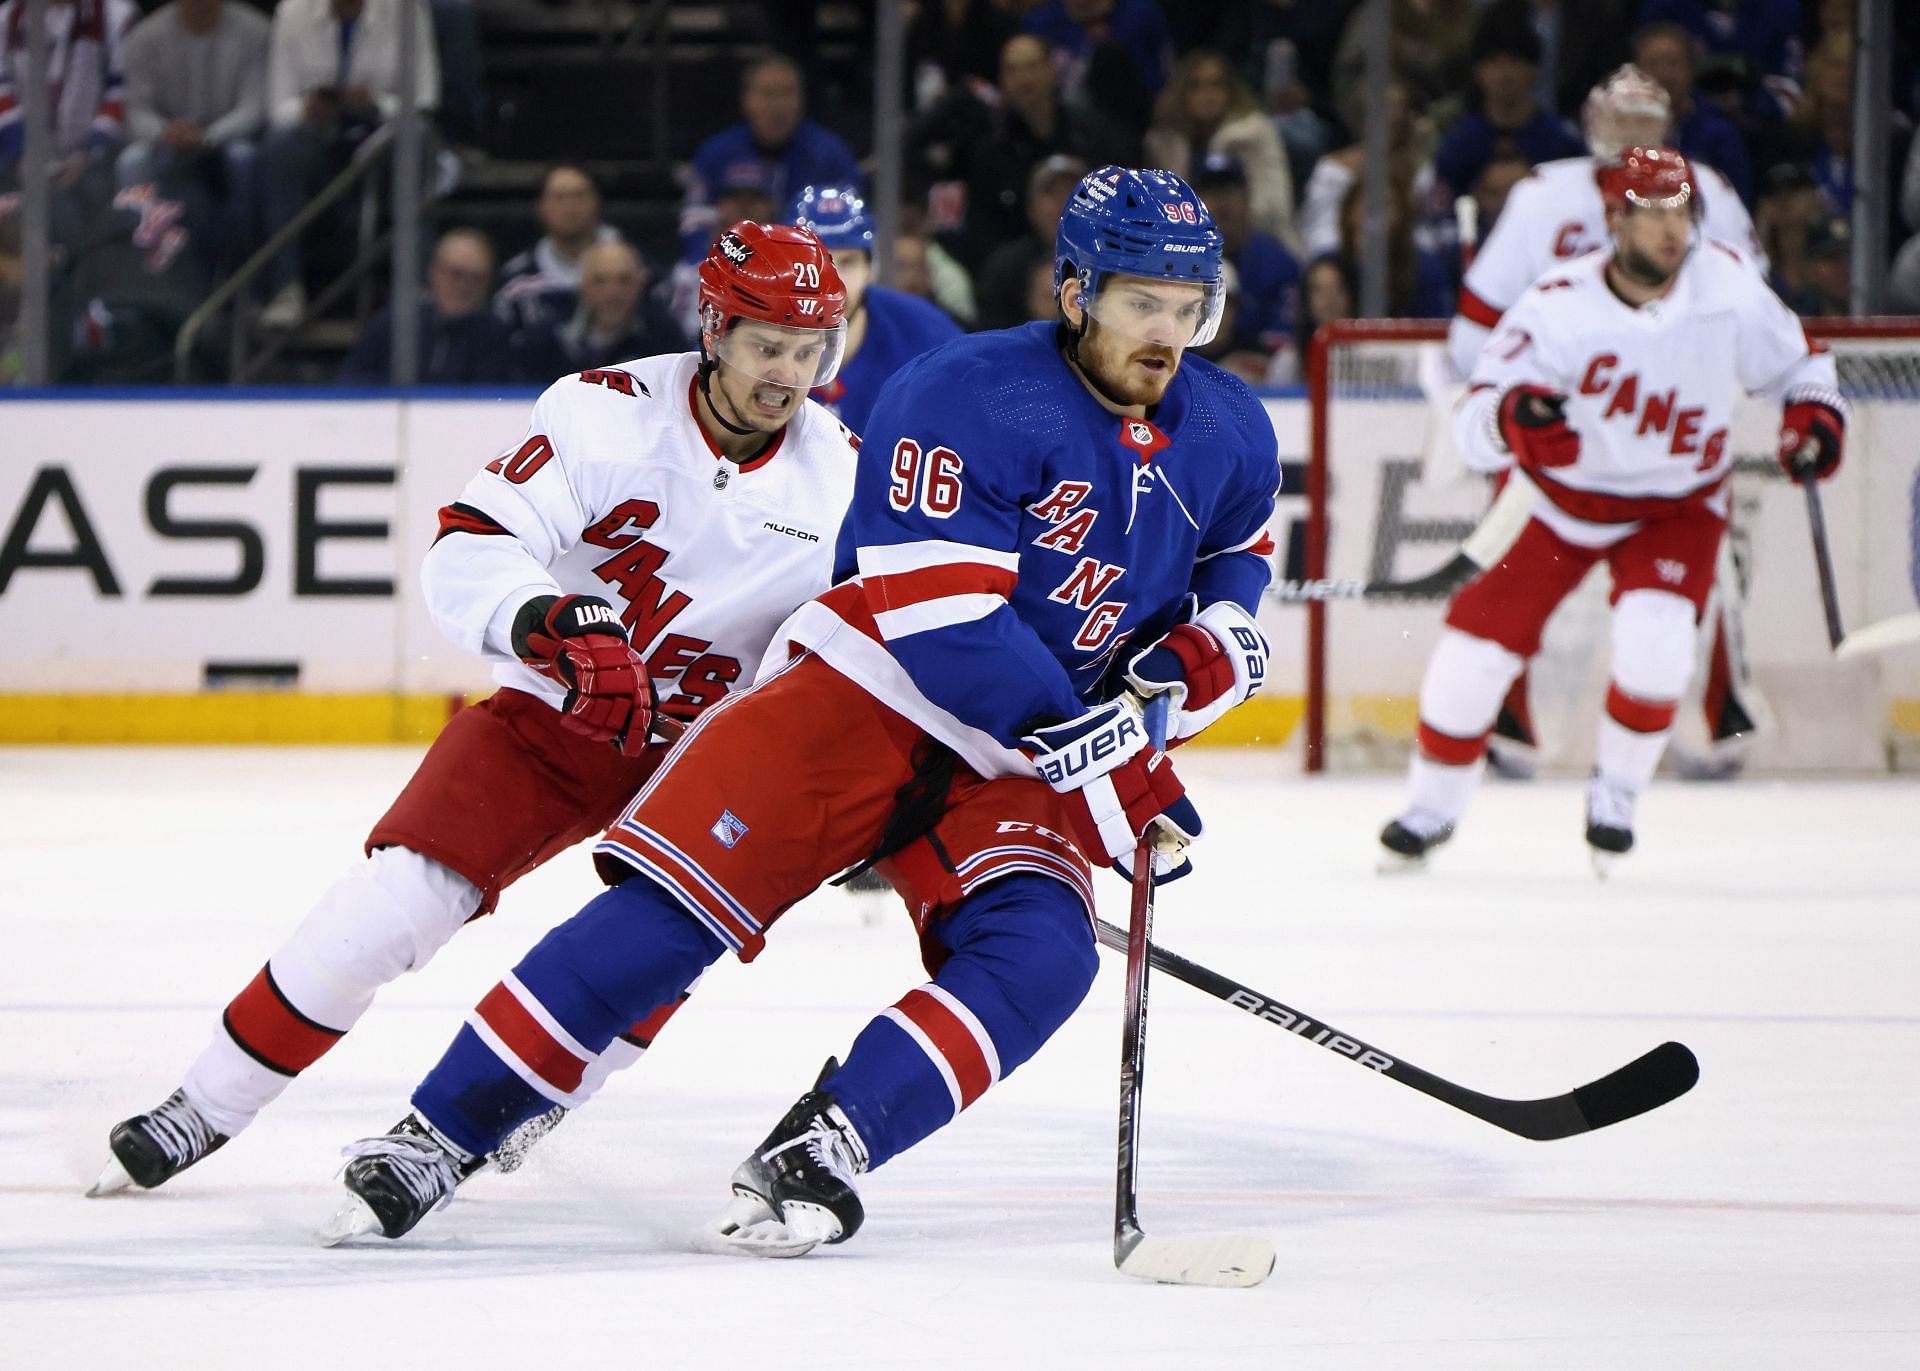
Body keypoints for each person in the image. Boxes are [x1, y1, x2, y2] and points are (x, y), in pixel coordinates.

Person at [315, 166, 1280, 1251]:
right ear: (1074, 291)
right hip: (870, 694)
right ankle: (438, 1132)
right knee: (668, 922)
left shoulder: (1233, 425)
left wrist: (1213, 649)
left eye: (1190, 306)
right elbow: (950, 627)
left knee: (1042, 958)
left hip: (1021, 760)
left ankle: (826, 1143)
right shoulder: (964, 392)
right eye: (1142, 301)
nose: (1168, 329)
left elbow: (1237, 559)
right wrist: (1114, 762)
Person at [89, 222, 861, 1198]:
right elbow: (466, 545)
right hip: (560, 719)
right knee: (395, 900)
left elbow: (864, 646)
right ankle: (205, 1103)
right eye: (764, 346)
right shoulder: (602, 413)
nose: (784, 374)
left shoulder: (840, 473)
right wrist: (549, 620)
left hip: (698, 763)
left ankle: (525, 1104)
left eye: (805, 350)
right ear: (713, 328)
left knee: (654, 955)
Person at [1379, 148, 1843, 874]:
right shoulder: (1556, 305)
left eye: (1682, 209)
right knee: (1469, 659)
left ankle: (1617, 796)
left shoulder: (1727, 287)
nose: (1672, 228)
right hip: (1558, 503)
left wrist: (1812, 417)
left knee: (1657, 649)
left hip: (1676, 506)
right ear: (1614, 218)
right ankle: (1429, 810)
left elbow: (1800, 366)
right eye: (1653, 210)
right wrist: (1513, 419)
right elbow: (1475, 418)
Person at [1447, 66, 1762, 777]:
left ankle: (1704, 737)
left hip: (1669, 432)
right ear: (1591, 124)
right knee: (1534, 593)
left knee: (1693, 595)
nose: (1631, 137)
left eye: (1647, 121)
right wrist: (1503, 399)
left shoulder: (1706, 191)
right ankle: (1516, 738)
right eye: (1620, 122)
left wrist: (1715, 393)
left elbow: (1749, 308)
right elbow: (1478, 323)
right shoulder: (1542, 194)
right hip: (1559, 438)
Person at [256, 0, 439, 331]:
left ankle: (415, 286)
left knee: (418, 138)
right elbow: (277, 107)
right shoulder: (292, 11)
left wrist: (376, 103)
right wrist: (307, 108)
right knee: (279, 146)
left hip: (383, 142)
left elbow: (424, 98)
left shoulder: (407, 9)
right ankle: (285, 289)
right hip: (318, 144)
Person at [788, 184, 962, 437]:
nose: (832, 282)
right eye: (816, 262)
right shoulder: (751, 337)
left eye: (848, 262)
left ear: (871, 268)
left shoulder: (929, 338)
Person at [116, 0, 268, 259]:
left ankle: (245, 264)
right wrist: (164, 131)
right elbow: (136, 112)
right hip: (167, 141)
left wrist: (209, 136)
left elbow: (254, 108)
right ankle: (139, 266)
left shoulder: (256, 31)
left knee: (244, 158)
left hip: (226, 139)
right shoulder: (145, 36)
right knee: (132, 161)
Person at [680, 54, 862, 264]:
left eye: (787, 93)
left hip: (809, 271)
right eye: (767, 94)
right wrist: (723, 264)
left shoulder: (830, 155)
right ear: (747, 100)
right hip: (733, 267)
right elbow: (695, 222)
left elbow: (850, 225)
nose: (777, 105)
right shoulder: (717, 153)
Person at [1142, 48, 1300, 255]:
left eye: (1216, 85)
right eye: (1195, 86)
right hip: (1185, 252)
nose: (1207, 95)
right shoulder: (1165, 142)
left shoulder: (1254, 134)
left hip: (1259, 244)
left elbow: (1272, 209)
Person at [339, 227, 517, 384]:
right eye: (456, 274)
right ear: (434, 272)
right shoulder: (395, 323)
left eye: (476, 278)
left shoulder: (495, 335)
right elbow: (353, 379)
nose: (464, 286)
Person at [511, 239, 687, 384]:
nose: (612, 293)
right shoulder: (547, 339)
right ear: (583, 286)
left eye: (624, 280)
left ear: (640, 284)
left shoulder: (664, 339)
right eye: (600, 281)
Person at [0, 0, 136, 175]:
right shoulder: (8, 17)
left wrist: (89, 151)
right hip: (20, 154)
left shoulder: (116, 15)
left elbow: (125, 90)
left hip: (95, 155)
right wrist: (20, 150)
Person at [493, 164, 628, 339]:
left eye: (579, 196)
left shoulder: (637, 270)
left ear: (596, 202)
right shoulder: (517, 282)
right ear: (542, 206)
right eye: (559, 197)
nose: (570, 207)